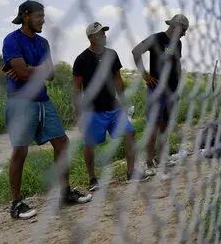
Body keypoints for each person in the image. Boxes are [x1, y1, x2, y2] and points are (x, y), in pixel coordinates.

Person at [2, 0, 92, 220]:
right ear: (25, 16)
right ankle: (16, 203)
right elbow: (22, 74)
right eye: (39, 16)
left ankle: (65, 193)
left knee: (62, 142)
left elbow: (49, 74)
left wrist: (30, 70)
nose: (43, 20)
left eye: (43, 16)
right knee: (20, 150)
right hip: (20, 101)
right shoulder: (11, 40)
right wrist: (35, 70)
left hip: (43, 99)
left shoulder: (42, 43)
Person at [73, 22, 150, 191]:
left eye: (104, 33)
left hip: (113, 108)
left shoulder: (112, 54)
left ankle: (130, 172)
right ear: (91, 38)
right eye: (100, 34)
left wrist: (123, 100)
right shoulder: (82, 59)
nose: (104, 36)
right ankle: (92, 179)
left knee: (130, 132)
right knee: (89, 144)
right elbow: (77, 89)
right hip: (93, 110)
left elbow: (117, 78)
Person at [131, 14, 189, 174]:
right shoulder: (156, 38)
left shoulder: (178, 43)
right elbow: (136, 52)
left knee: (165, 126)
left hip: (171, 91)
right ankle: (149, 162)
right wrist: (144, 75)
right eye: (183, 30)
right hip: (156, 90)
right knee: (154, 126)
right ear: (176, 26)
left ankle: (160, 158)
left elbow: (177, 63)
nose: (184, 34)